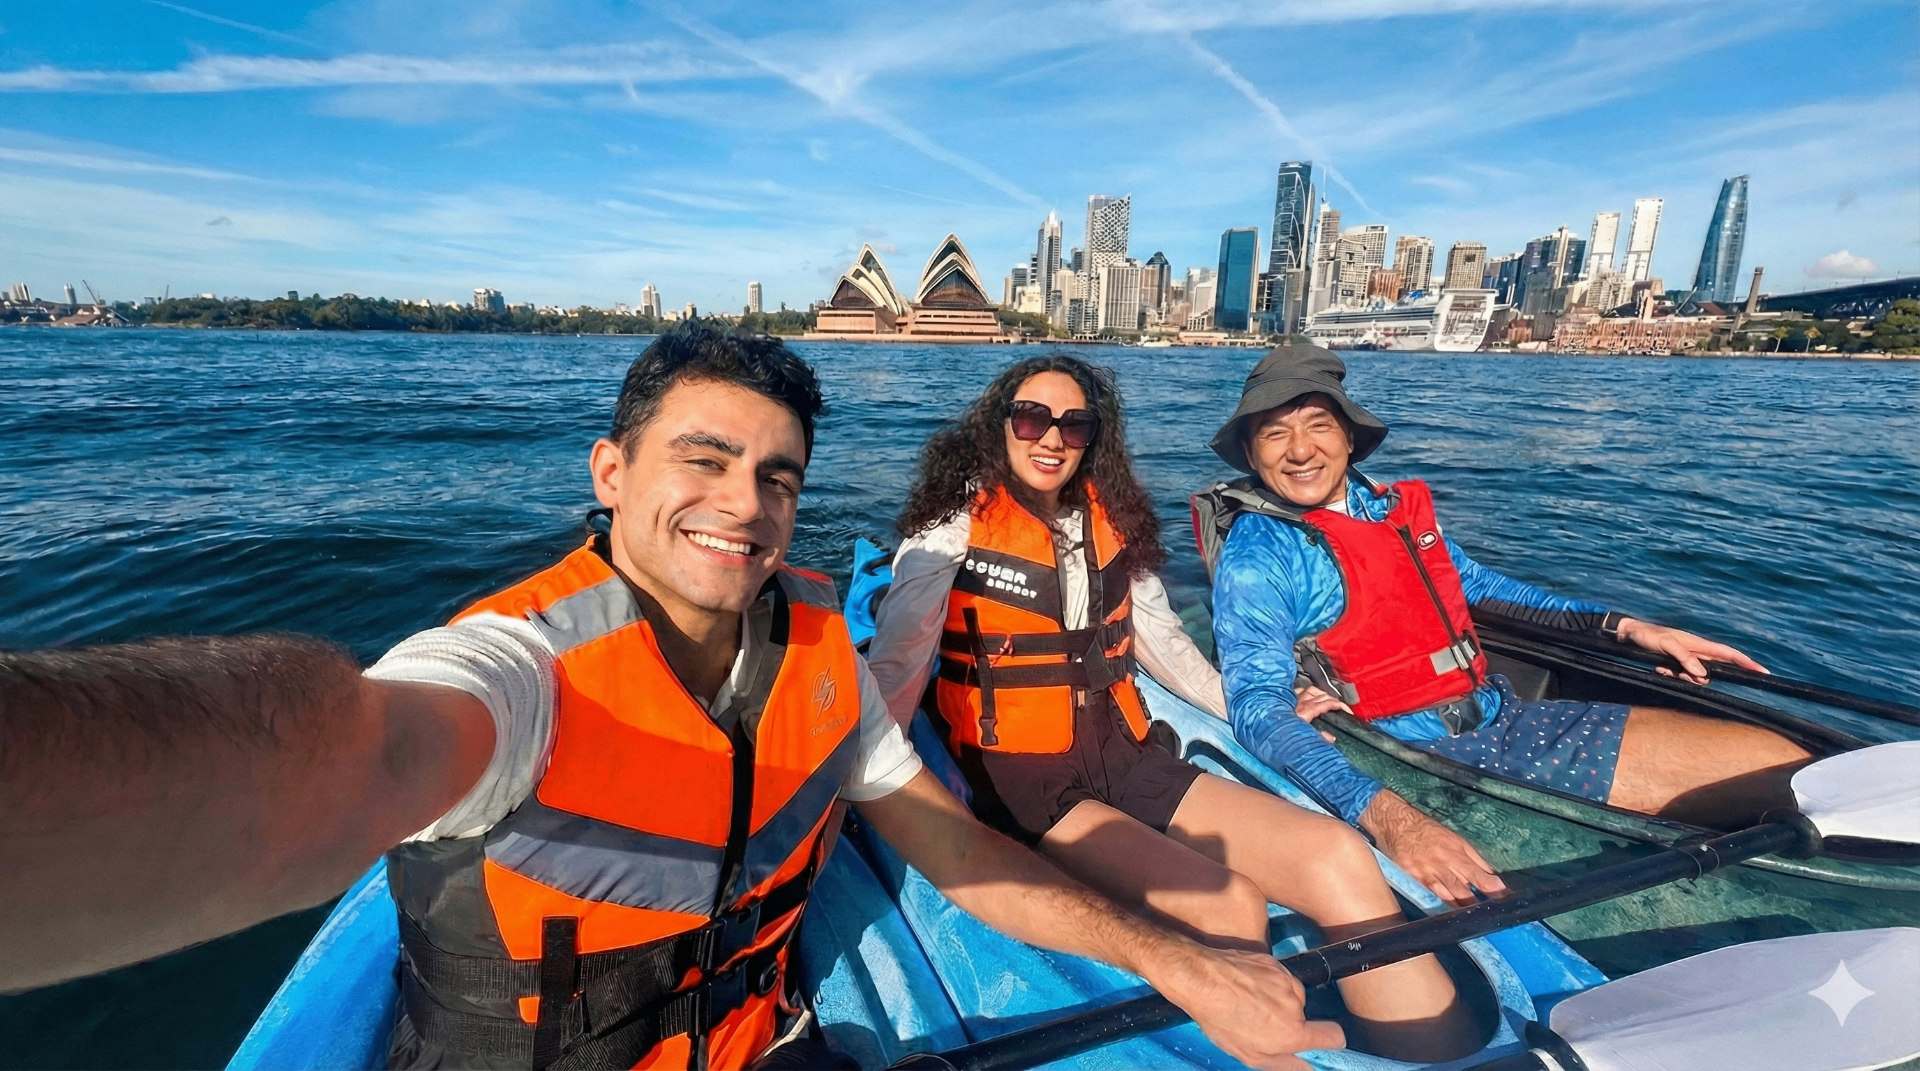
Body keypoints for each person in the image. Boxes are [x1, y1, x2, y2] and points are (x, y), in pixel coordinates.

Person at [0, 324, 1343, 1071]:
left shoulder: (817, 640)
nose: (743, 502)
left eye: (777, 474)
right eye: (703, 458)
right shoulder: (518, 667)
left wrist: (1186, 962)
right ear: (608, 468)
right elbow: (335, 755)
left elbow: (955, 848)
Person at [867, 354, 1480, 1063]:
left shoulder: (1110, 518)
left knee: (1335, 855)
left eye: (1075, 424)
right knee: (1225, 902)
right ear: (999, 426)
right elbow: (901, 665)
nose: (1051, 438)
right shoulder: (952, 525)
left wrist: (1259, 703)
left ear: (1094, 436)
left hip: (1124, 753)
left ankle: (1447, 1056)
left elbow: (1166, 648)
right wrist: (866, 782)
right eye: (1032, 417)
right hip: (1024, 778)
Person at [1193, 341, 1813, 902]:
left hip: (1503, 714)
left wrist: (1626, 628)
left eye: (1318, 426)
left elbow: (1479, 587)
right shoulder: (1262, 553)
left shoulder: (1383, 508)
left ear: (1350, 438)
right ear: (1251, 453)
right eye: (1275, 434)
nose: (1300, 451)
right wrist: (1387, 817)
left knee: (1790, 768)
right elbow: (1255, 703)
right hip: (1423, 759)